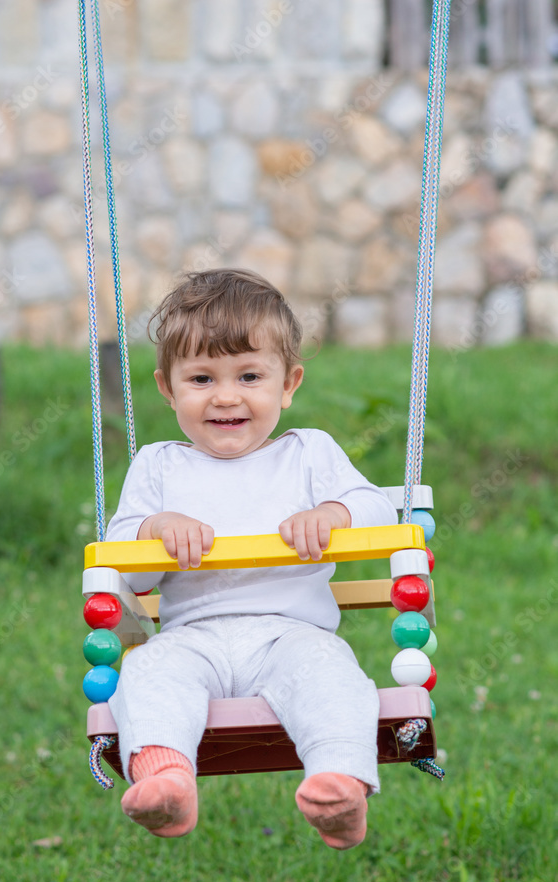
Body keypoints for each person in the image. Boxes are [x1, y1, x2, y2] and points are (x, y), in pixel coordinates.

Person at [106, 268, 397, 849]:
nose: (226, 395)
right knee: (146, 672)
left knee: (332, 679)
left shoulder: (309, 454)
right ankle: (167, 781)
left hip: (292, 634)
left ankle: (339, 785)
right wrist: (154, 531)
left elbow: (379, 512)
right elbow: (122, 571)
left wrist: (336, 514)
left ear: (288, 384)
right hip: (192, 637)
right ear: (167, 388)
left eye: (249, 375)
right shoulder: (157, 466)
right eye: (201, 378)